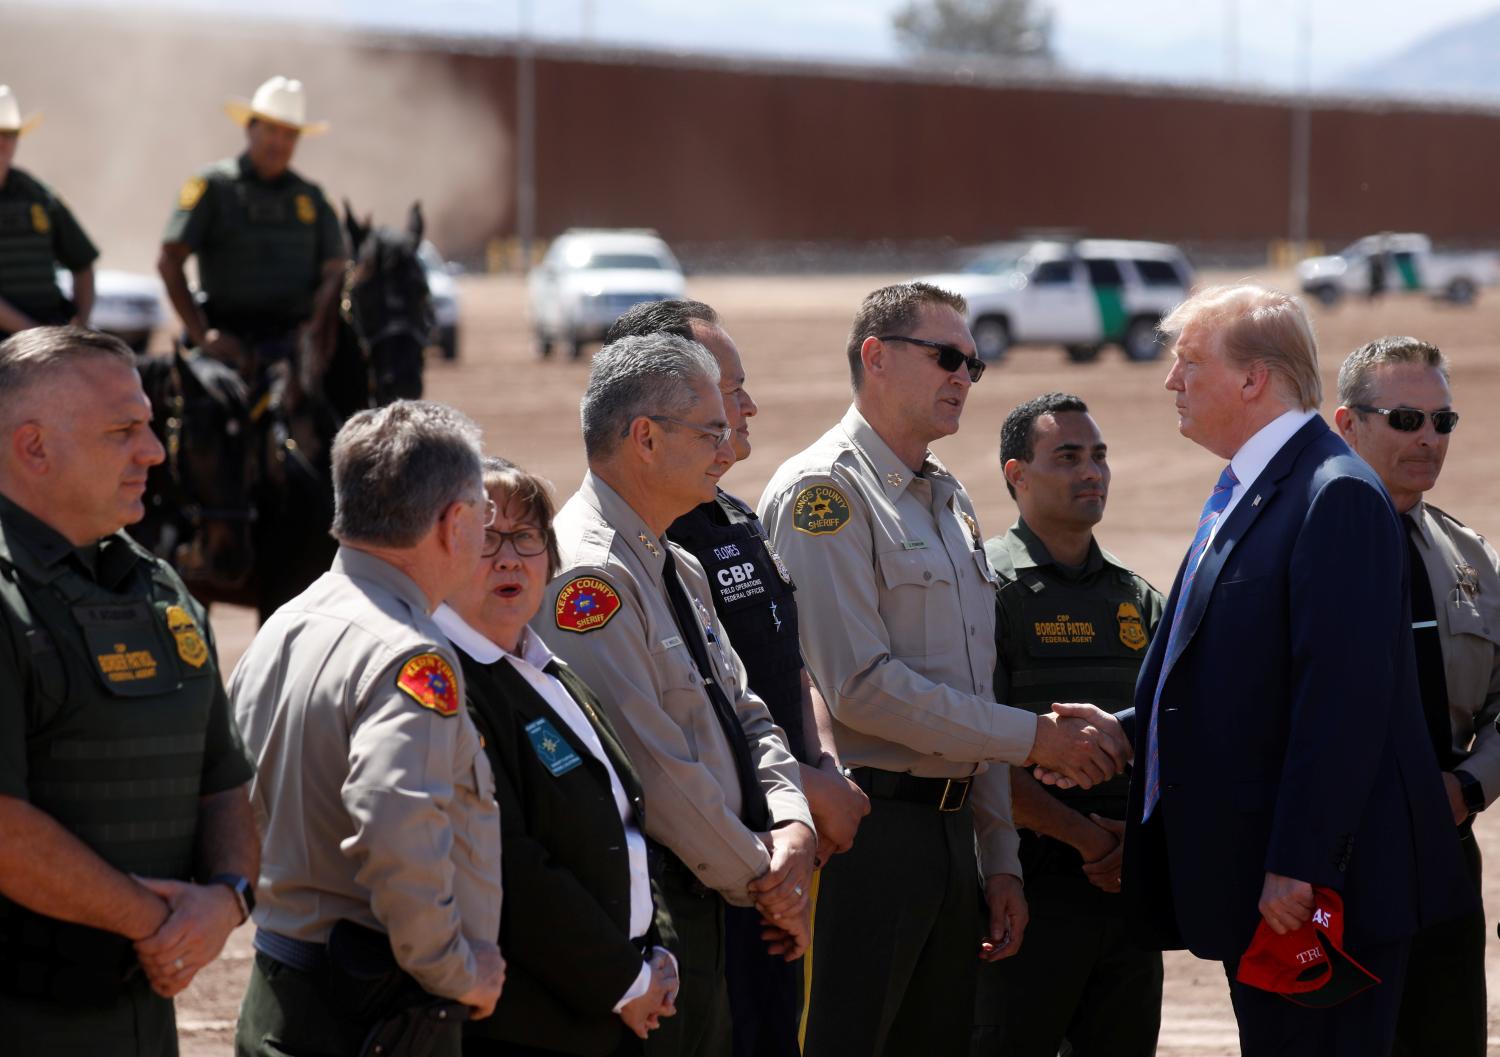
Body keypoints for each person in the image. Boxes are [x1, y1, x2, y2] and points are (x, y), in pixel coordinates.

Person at [757, 282, 1130, 1057]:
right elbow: (857, 685)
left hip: (950, 838)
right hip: (865, 837)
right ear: (876, 358)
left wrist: (1000, 860)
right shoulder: (825, 493)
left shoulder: (947, 497)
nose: (964, 376)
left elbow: (971, 691)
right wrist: (1035, 739)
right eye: (948, 357)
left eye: (974, 364)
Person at [1103, 285, 1470, 1056]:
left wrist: (1299, 865)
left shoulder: (1333, 495)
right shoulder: (1252, 485)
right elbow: (1245, 672)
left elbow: (1343, 702)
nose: (1172, 380)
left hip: (1314, 898)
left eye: (1189, 361)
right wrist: (1124, 730)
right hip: (1263, 887)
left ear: (1252, 380)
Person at [539, 332, 817, 1057]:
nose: (727, 450)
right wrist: (768, 878)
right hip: (658, 914)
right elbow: (653, 768)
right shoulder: (587, 578)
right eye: (711, 432)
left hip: (718, 891)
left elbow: (750, 713)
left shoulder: (677, 563)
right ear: (646, 438)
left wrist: (792, 827)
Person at [604, 299, 869, 1057]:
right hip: (726, 867)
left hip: (781, 844)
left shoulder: (729, 518)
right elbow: (673, 731)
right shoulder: (645, 540)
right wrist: (811, 802)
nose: (745, 406)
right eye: (727, 390)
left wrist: (823, 768)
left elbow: (782, 668)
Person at [0, 326, 257, 1055]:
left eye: (149, 426)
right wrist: (155, 919)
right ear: (34, 447)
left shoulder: (159, 585)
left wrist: (228, 896)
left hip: (141, 1015)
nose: (154, 452)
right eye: (124, 431)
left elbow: (223, 775)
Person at [231, 400, 505, 1057]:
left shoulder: (286, 623)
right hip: (370, 1012)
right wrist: (456, 969)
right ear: (453, 522)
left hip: (279, 982)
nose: (489, 530)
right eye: (485, 514)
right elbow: (394, 823)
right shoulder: (411, 655)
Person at [436, 455, 679, 1056]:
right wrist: (626, 983)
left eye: (526, 537)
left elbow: (626, 819)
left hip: (606, 1010)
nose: (510, 557)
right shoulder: (450, 683)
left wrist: (659, 946)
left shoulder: (551, 672)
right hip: (529, 1026)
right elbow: (513, 870)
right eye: (487, 538)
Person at [971, 393, 1165, 1057]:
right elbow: (978, 749)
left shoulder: (1137, 598)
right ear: (1015, 473)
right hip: (1025, 889)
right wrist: (1086, 840)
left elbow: (1180, 729)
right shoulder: (985, 588)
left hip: (1125, 890)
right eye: (1068, 457)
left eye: (1099, 456)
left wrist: (1127, 849)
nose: (1092, 472)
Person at [1332, 336, 1494, 1057]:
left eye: (1442, 422)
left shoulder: (1471, 556)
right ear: (1347, 423)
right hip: (1333, 859)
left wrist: (1468, 786)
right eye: (1405, 419)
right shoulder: (1298, 545)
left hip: (1443, 848)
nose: (1427, 438)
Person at [158, 76, 345, 383]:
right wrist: (203, 334)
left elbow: (335, 271)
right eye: (271, 130)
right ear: (250, 127)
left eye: (289, 135)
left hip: (294, 347)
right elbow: (169, 261)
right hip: (226, 345)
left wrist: (313, 329)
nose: (279, 143)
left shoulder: (313, 198)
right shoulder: (212, 187)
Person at [0, 86, 98, 338]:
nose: (2, 143)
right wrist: (34, 333)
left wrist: (80, 324)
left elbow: (82, 262)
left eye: (9, 134)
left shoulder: (38, 195)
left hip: (49, 329)